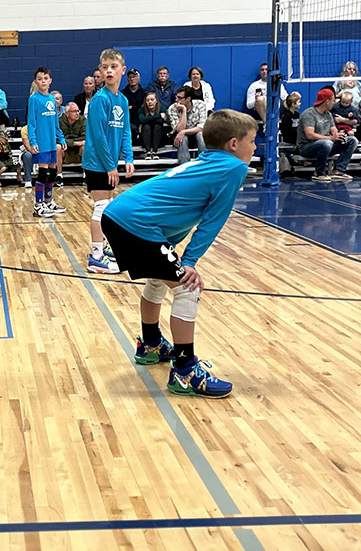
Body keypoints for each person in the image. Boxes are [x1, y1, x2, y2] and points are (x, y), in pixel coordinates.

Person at [106, 110, 258, 398]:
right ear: (234, 144)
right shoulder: (233, 168)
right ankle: (186, 371)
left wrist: (173, 256)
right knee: (188, 289)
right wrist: (188, 262)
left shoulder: (207, 161)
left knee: (158, 279)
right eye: (252, 141)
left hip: (121, 214)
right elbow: (213, 221)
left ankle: (150, 344)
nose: (255, 148)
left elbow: (174, 209)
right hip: (137, 222)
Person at [83, 49, 135, 274]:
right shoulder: (99, 100)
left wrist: (129, 158)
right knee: (101, 208)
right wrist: (110, 165)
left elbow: (125, 132)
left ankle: (106, 246)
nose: (109, 71)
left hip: (110, 162)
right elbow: (98, 136)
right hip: (97, 163)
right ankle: (96, 256)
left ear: (122, 70)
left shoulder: (122, 100)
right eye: (105, 67)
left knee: (110, 209)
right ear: (100, 72)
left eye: (114, 66)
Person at [27, 67, 66, 217]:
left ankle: (48, 201)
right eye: (40, 79)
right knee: (43, 173)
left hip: (51, 143)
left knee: (53, 171)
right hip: (41, 142)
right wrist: (33, 140)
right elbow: (31, 122)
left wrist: (61, 138)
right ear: (36, 81)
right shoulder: (34, 99)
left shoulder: (51, 99)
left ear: (50, 80)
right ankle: (38, 205)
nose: (43, 81)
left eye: (45, 78)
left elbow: (55, 123)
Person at [297, 86, 358, 182]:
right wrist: (331, 137)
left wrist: (339, 136)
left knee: (352, 140)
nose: (334, 103)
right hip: (307, 147)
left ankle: (338, 170)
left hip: (326, 145)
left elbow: (334, 131)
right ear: (327, 101)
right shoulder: (308, 114)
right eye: (333, 100)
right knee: (327, 143)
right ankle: (319, 173)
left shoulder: (328, 114)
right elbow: (310, 135)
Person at [168, 86, 207, 164]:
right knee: (182, 137)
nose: (176, 100)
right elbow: (180, 130)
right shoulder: (172, 108)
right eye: (176, 97)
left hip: (196, 136)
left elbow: (201, 127)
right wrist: (184, 110)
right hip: (180, 137)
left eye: (179, 98)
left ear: (188, 99)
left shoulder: (200, 105)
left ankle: (204, 164)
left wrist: (184, 131)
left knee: (200, 135)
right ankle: (184, 167)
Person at [138, 92, 168, 159]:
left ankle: (155, 152)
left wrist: (148, 119)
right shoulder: (142, 109)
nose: (150, 102)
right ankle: (148, 152)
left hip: (160, 138)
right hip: (144, 138)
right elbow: (142, 120)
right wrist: (158, 116)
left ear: (156, 100)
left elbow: (161, 121)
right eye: (147, 100)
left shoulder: (162, 108)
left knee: (157, 126)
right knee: (146, 126)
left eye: (152, 99)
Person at [121, 69, 149, 136]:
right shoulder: (122, 94)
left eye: (134, 77)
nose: (132, 79)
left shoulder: (145, 93)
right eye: (130, 77)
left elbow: (145, 108)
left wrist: (132, 107)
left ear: (139, 79)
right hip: (127, 120)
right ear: (127, 79)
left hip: (140, 120)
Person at [59, 101, 86, 171]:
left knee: (85, 146)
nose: (77, 114)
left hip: (78, 151)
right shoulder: (59, 121)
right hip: (64, 151)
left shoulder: (83, 120)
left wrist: (67, 141)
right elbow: (56, 139)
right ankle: (59, 175)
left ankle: (86, 174)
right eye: (74, 111)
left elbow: (85, 137)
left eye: (78, 111)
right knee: (57, 147)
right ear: (67, 113)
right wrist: (74, 143)